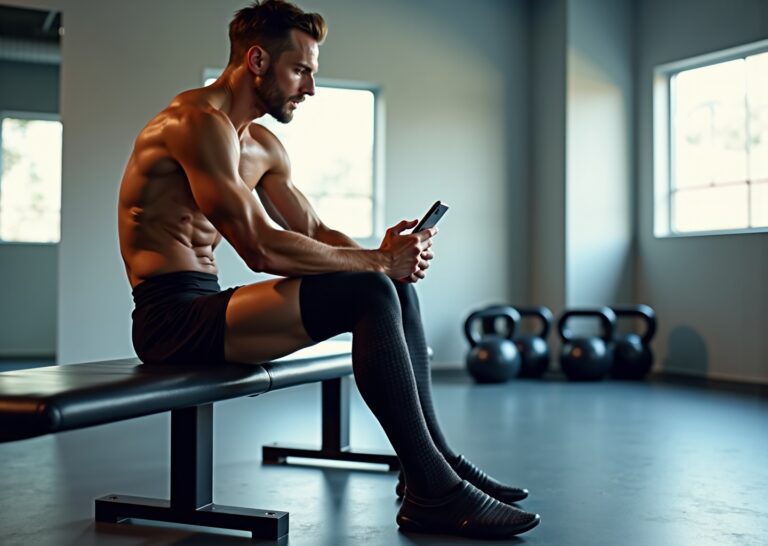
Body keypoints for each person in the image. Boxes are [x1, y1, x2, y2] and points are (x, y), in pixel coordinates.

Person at [117, 0, 540, 539]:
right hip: (169, 321)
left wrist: (386, 257)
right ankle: (433, 489)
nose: (310, 88)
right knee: (369, 288)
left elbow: (314, 233)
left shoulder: (262, 144)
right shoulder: (193, 124)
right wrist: (377, 264)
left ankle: (432, 469)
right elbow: (262, 249)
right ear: (257, 61)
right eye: (301, 70)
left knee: (386, 286)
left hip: (209, 306)